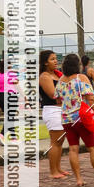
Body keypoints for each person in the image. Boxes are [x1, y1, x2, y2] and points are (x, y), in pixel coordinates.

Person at [54, 53, 94, 187]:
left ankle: (79, 179)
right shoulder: (82, 78)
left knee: (73, 149)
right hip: (81, 118)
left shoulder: (60, 81)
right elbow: (91, 98)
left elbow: (58, 100)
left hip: (67, 120)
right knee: (93, 148)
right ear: (77, 65)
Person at [39, 50, 69, 179]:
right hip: (52, 110)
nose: (56, 61)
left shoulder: (58, 75)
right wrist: (68, 95)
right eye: (52, 59)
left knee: (60, 141)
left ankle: (58, 168)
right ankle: (53, 171)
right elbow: (53, 95)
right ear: (45, 62)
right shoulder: (45, 76)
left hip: (61, 109)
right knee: (55, 142)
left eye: (56, 58)